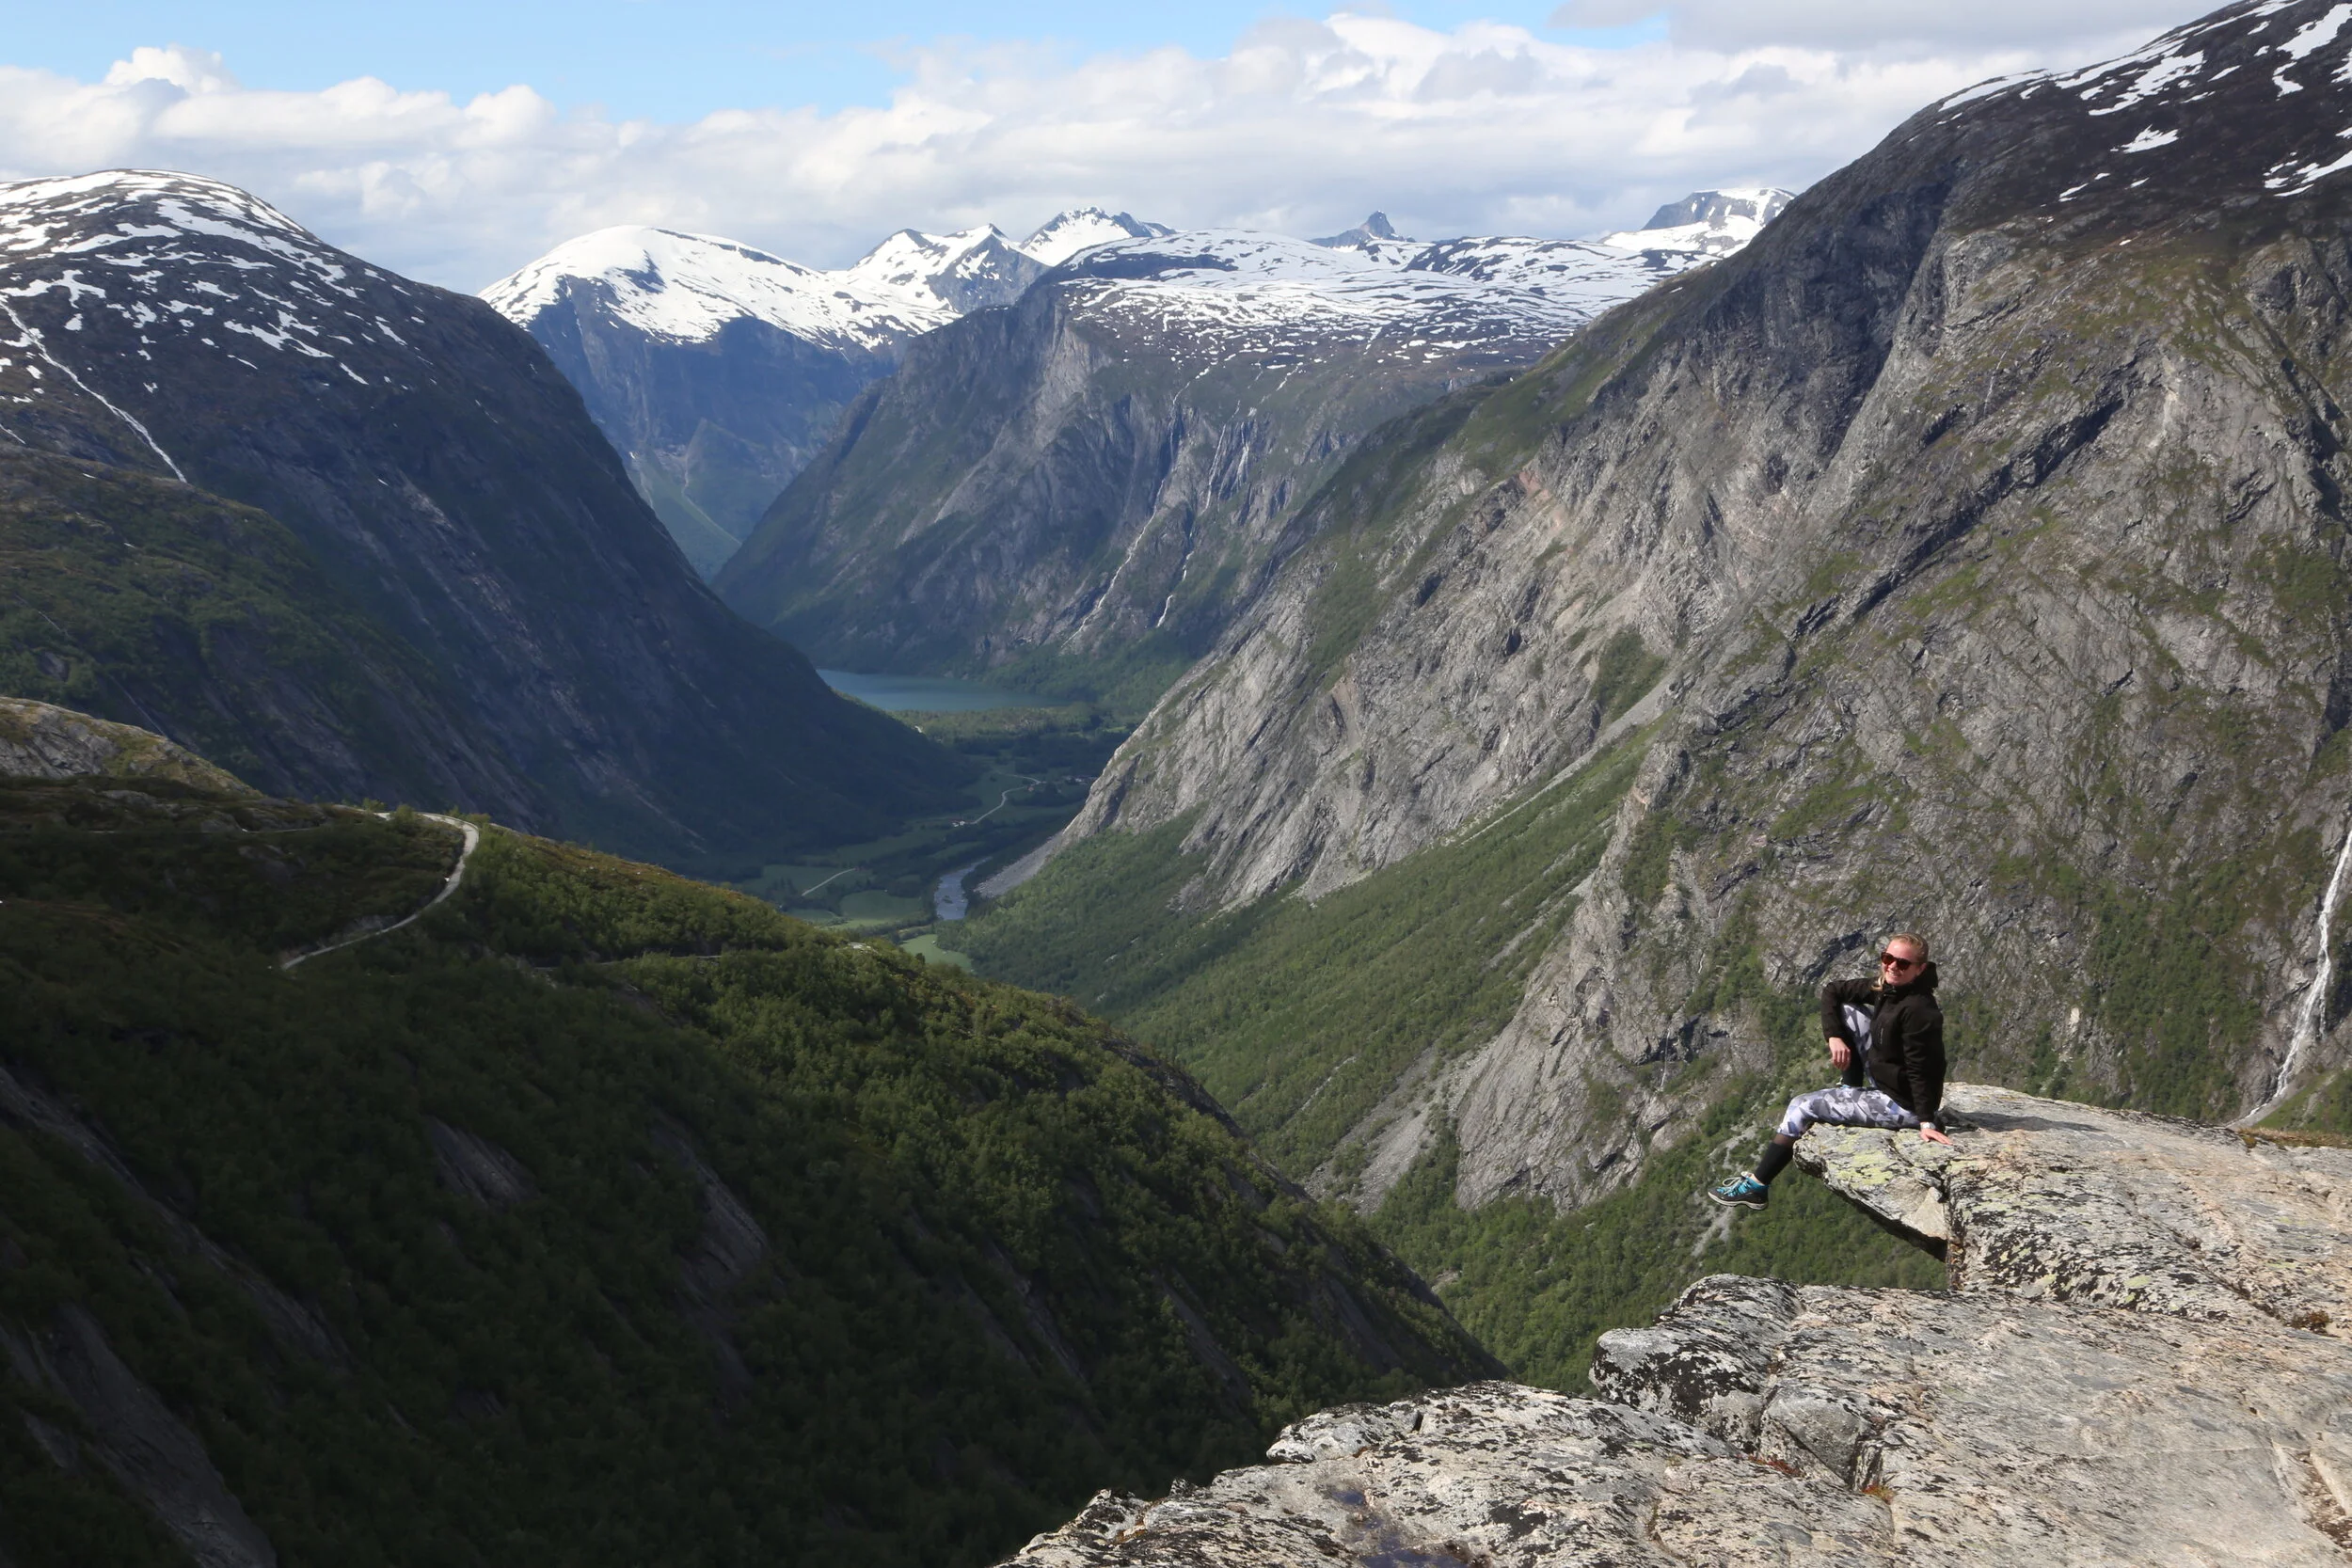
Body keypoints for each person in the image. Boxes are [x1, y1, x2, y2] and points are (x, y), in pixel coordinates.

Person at [1708, 932, 1952, 1210]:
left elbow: (1924, 1068)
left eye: (1903, 963)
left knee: (1801, 1106)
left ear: (1920, 969)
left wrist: (1926, 1121)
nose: (1893, 966)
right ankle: (1850, 1087)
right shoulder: (1887, 988)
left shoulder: (1920, 1011)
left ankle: (1756, 1187)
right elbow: (1833, 990)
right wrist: (1834, 1036)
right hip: (1885, 1075)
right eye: (1888, 958)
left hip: (1901, 1103)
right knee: (1847, 1008)